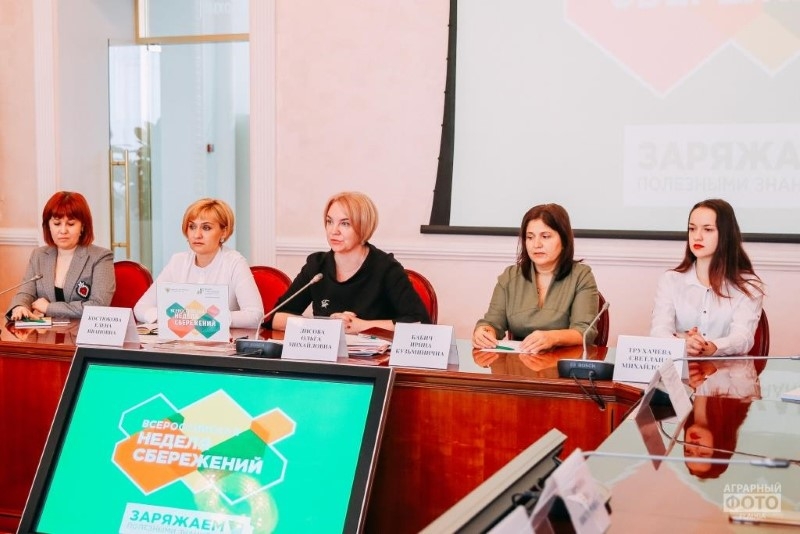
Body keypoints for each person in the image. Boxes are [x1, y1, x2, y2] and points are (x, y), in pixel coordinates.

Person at [271, 191, 430, 333]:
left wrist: (361, 326)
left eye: (345, 223)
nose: (334, 231)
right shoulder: (317, 265)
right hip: (327, 354)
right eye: (329, 221)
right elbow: (276, 316)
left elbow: (420, 322)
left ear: (363, 227)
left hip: (375, 356)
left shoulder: (386, 268)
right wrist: (325, 325)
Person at [472, 203, 600, 353]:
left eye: (545, 237)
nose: (536, 244)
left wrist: (553, 337)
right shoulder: (510, 276)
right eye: (530, 237)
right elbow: (492, 323)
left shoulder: (582, 276)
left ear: (564, 240)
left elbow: (585, 331)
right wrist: (484, 332)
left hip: (564, 362)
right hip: (520, 363)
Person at [650, 199, 764, 357]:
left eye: (708, 230)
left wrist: (711, 347)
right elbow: (659, 330)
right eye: (692, 229)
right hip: (680, 368)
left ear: (726, 235)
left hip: (727, 371)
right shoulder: (670, 280)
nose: (697, 237)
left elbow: (742, 338)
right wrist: (683, 344)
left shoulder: (749, 285)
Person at [133, 198, 263, 328]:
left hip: (219, 340)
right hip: (179, 339)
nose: (197, 235)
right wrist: (175, 319)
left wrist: (201, 320)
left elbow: (255, 316)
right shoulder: (178, 261)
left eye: (206, 228)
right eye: (192, 227)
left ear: (224, 232)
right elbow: (141, 308)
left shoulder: (235, 262)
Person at [6, 191, 115, 320]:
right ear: (48, 226)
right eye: (57, 224)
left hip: (82, 331)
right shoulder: (39, 255)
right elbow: (26, 292)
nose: (63, 231)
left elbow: (98, 306)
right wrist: (20, 306)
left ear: (83, 226)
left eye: (71, 224)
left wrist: (49, 308)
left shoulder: (100, 257)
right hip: (46, 332)